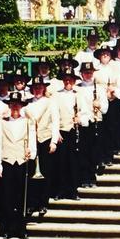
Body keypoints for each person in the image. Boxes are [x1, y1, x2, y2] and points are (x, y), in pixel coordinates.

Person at [0, 91, 36, 239]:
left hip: (22, 161)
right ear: (9, 106)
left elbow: (32, 141)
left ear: (21, 106)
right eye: (13, 104)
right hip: (7, 161)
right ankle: (7, 228)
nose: (15, 107)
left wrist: (32, 153)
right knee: (7, 196)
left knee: (21, 197)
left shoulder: (27, 122)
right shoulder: (2, 122)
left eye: (18, 104)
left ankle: (21, 228)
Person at [23, 76, 59, 216]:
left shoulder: (50, 103)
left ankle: (43, 203)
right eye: (35, 88)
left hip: (46, 139)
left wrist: (54, 141)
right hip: (32, 141)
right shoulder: (27, 104)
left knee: (46, 172)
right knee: (31, 172)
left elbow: (55, 121)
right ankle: (32, 203)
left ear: (44, 88)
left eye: (40, 87)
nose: (37, 90)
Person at [75, 62, 108, 188]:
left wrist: (99, 105)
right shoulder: (77, 88)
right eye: (85, 73)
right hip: (83, 123)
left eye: (90, 72)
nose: (88, 75)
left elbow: (105, 109)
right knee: (83, 151)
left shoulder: (99, 89)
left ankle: (92, 177)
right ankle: (84, 178)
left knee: (94, 151)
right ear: (81, 74)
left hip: (96, 123)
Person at [53, 67, 81, 200]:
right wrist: (56, 131)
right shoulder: (57, 95)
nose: (68, 82)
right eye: (66, 80)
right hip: (62, 132)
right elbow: (54, 115)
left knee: (74, 162)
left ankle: (73, 190)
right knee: (61, 162)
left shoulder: (78, 94)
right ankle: (61, 190)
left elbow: (84, 111)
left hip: (75, 131)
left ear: (74, 81)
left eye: (70, 80)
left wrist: (79, 118)